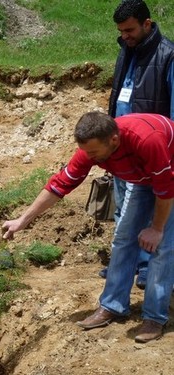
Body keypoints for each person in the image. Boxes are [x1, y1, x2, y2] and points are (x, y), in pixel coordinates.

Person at [2, 111, 174, 343]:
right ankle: (112, 305)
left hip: (169, 172)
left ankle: (154, 317)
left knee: (162, 247)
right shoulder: (92, 150)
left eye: (93, 152)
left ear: (114, 140)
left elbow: (165, 190)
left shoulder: (147, 140)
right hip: (141, 176)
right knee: (124, 238)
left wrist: (156, 228)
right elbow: (60, 185)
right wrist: (22, 220)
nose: (89, 157)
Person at [100, 0, 174, 288]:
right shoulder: (126, 49)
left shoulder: (168, 55)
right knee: (123, 209)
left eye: (129, 30)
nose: (125, 36)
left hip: (150, 150)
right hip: (120, 147)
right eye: (121, 31)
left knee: (148, 212)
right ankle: (126, 262)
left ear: (147, 23)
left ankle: (146, 267)